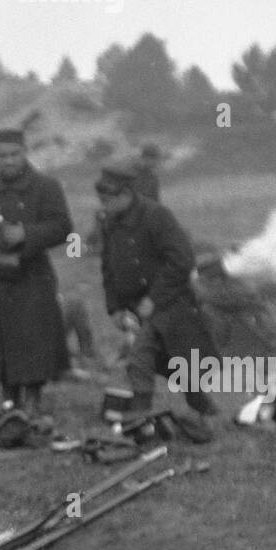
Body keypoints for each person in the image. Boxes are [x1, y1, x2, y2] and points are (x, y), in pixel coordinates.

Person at [0, 128, 72, 423]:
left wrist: (26, 233)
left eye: (14, 155)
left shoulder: (46, 186)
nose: (9, 161)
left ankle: (32, 401)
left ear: (25, 153)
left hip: (33, 274)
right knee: (2, 339)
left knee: (34, 339)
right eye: (2, 156)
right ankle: (9, 402)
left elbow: (63, 227)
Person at [96, 160, 220, 439]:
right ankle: (191, 406)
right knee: (163, 362)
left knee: (143, 358)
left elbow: (182, 260)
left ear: (126, 194)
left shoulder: (157, 216)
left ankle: (141, 420)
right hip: (138, 308)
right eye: (101, 200)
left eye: (108, 200)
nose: (103, 206)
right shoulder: (109, 221)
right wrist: (114, 306)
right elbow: (108, 266)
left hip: (171, 304)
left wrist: (154, 298)